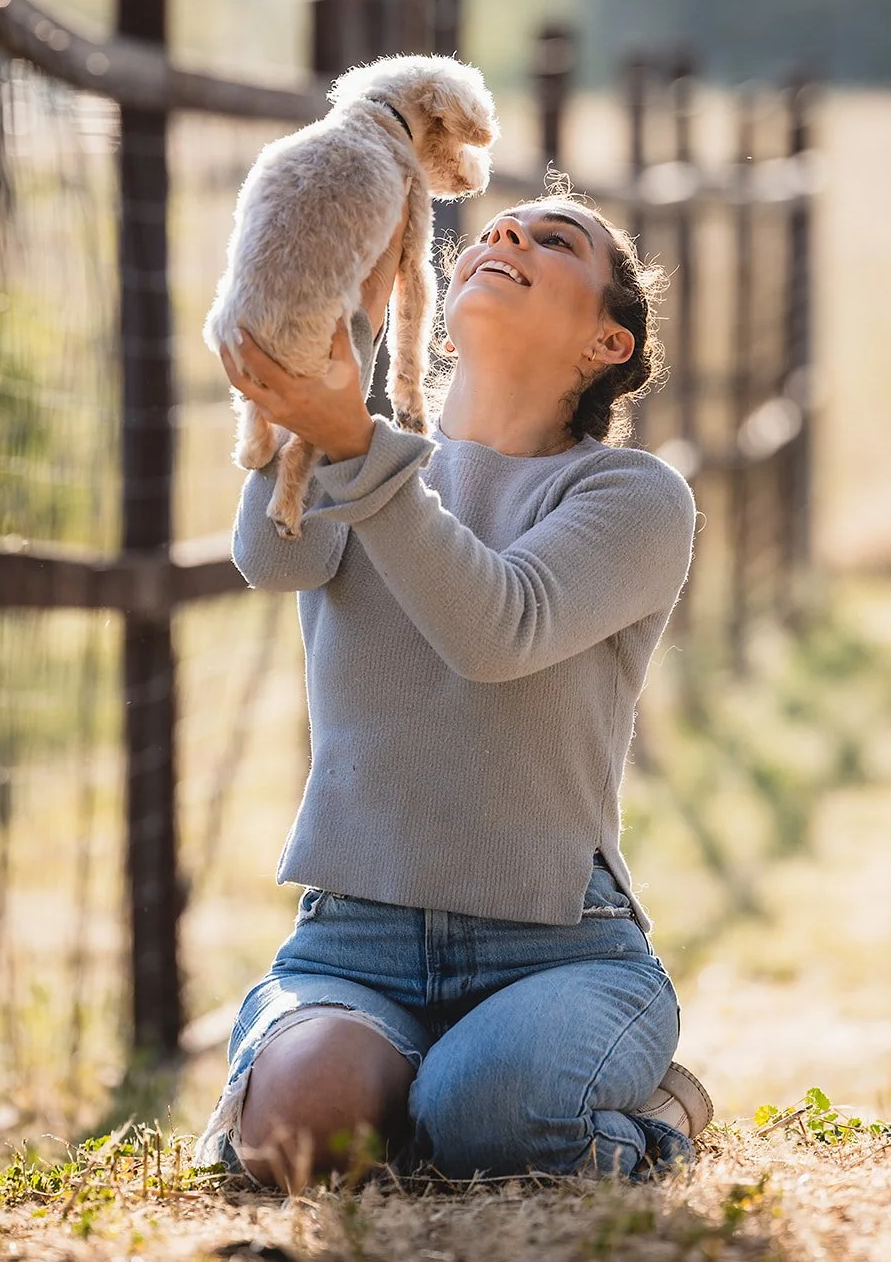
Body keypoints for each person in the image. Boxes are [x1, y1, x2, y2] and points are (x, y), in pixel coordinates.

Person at [194, 191, 709, 1190]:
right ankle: (398, 1094)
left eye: (553, 239)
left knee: (489, 1115)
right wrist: (310, 371)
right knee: (297, 1133)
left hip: (557, 948)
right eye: (494, 229)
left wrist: (358, 451)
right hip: (354, 937)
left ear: (606, 341)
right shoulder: (372, 452)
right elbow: (271, 556)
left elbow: (497, 629)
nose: (504, 234)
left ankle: (661, 1109)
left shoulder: (629, 496)